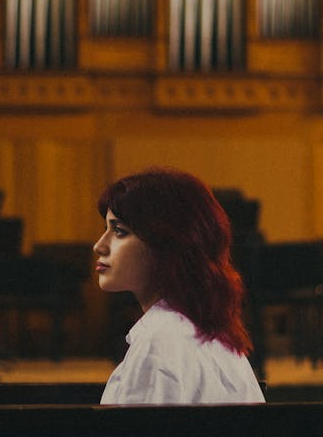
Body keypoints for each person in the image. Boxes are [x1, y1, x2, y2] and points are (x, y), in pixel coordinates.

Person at [93, 167, 265, 404]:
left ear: (165, 245)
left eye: (120, 231)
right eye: (106, 229)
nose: (99, 246)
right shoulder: (214, 336)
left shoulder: (160, 343)